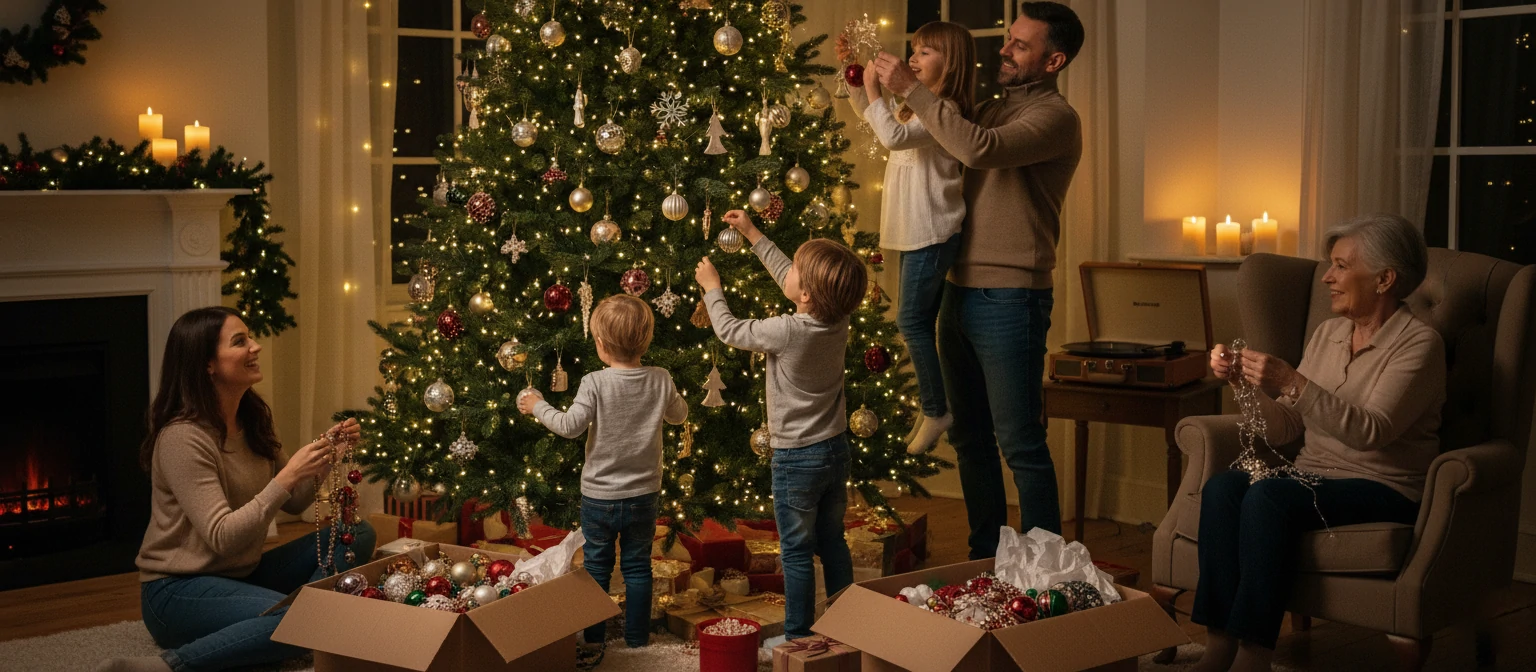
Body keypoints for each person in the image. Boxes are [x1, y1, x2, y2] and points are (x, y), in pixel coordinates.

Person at [869, 1, 1085, 557]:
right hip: (957, 290)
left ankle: (1043, 566)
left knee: (1021, 443)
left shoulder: (1055, 119)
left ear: (1054, 61)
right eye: (1008, 38)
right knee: (969, 438)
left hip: (1011, 298)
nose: (1005, 49)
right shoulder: (987, 108)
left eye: (1021, 44)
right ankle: (986, 557)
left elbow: (978, 150)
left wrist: (911, 88)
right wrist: (873, 90)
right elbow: (921, 136)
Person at [1194, 214, 1444, 672]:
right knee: (1223, 488)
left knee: (1268, 497)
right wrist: (1242, 383)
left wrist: (1292, 381)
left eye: (1341, 266)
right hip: (1312, 476)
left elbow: (1371, 431)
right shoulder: (1329, 334)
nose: (1327, 277)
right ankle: (1218, 646)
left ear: (1385, 279)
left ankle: (1254, 656)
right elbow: (1287, 428)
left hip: (1384, 487)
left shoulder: (1420, 345)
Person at [97, 306, 375, 672]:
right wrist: (287, 475)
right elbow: (223, 537)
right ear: (208, 364)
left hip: (243, 573)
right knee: (298, 620)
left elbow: (295, 503)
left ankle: (302, 620)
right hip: (177, 591)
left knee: (357, 532)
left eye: (250, 338)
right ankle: (171, 666)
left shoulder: (253, 419)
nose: (255, 347)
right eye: (240, 341)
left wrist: (326, 459)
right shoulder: (183, 438)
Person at [694, 211, 867, 640]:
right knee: (832, 541)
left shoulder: (786, 330)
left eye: (795, 272)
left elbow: (730, 330)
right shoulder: (838, 317)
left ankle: (798, 637)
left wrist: (713, 289)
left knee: (796, 550)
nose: (786, 271)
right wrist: (753, 234)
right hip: (835, 450)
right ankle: (847, 624)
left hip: (796, 459)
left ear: (805, 294)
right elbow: (790, 276)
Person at [517, 294, 687, 663]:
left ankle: (594, 640)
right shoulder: (660, 378)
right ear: (646, 340)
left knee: (596, 567)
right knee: (638, 566)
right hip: (644, 494)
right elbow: (679, 415)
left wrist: (537, 406)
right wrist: (667, 397)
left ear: (601, 344)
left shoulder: (594, 382)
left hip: (599, 497)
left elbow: (569, 426)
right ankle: (637, 640)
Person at [837, 21, 976, 454]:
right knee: (919, 322)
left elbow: (893, 137)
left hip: (932, 231)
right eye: (913, 50)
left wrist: (876, 90)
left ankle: (936, 409)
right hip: (915, 231)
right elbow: (875, 119)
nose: (913, 58)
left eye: (925, 52)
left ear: (950, 63)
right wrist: (855, 77)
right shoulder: (915, 106)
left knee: (910, 322)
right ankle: (937, 404)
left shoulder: (944, 110)